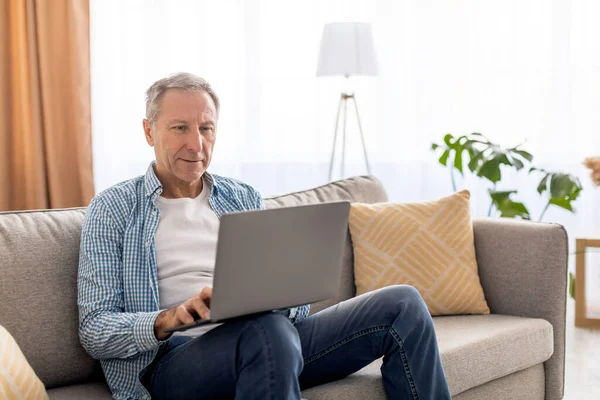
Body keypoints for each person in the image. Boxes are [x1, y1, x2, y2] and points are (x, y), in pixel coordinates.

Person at [78, 72, 451, 400]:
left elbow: (295, 310)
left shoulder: (242, 196)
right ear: (149, 131)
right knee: (267, 331)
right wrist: (169, 318)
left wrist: (282, 293)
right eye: (180, 128)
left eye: (206, 128)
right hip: (173, 361)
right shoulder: (113, 209)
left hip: (274, 340)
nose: (197, 144)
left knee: (403, 304)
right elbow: (94, 330)